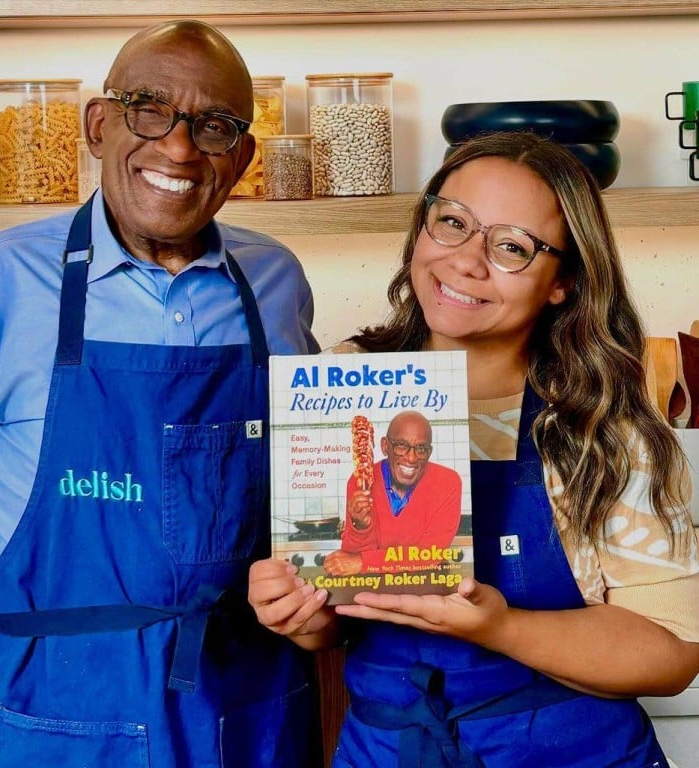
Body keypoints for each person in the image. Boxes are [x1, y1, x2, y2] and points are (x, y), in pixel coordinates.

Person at [0, 20, 321, 768]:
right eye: (149, 108)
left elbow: (307, 504)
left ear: (240, 158)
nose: (178, 148)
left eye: (213, 127)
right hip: (41, 713)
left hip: (241, 710)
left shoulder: (275, 283)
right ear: (99, 125)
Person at [249, 131, 699, 767]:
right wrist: (298, 614)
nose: (465, 260)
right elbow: (338, 609)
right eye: (452, 222)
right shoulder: (340, 386)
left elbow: (672, 649)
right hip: (389, 751)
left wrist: (501, 627)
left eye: (511, 246)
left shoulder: (603, 428)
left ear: (562, 282)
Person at [324, 410, 462, 576]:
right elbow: (352, 559)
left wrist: (364, 562)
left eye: (421, 448)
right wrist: (360, 526)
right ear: (385, 446)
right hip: (372, 586)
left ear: (429, 452)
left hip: (425, 587)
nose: (411, 458)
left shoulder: (448, 482)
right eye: (401, 446)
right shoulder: (360, 482)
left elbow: (430, 554)